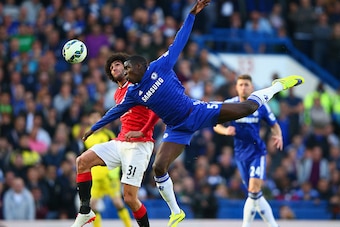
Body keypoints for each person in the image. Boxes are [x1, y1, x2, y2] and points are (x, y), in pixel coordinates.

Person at [83, 0, 304, 226]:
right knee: (159, 167)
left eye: (128, 69)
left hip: (196, 112)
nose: (126, 74)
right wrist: (93, 128)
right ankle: (176, 211)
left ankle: (276, 86)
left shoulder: (161, 65)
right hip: (176, 128)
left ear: (140, 67)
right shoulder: (134, 93)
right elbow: (115, 112)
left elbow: (180, 39)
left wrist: (192, 15)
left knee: (247, 108)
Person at [71, 53, 159, 227]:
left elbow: (157, 109)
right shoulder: (117, 94)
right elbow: (113, 114)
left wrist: (142, 131)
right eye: (111, 68)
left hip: (139, 146)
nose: (115, 68)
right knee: (82, 161)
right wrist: (94, 128)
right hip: (120, 143)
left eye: (118, 65)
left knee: (130, 198)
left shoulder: (139, 85)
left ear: (127, 68)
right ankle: (85, 211)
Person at [214, 74, 281, 227]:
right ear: (236, 87)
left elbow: (274, 124)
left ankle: (249, 225)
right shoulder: (230, 105)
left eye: (246, 84)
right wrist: (225, 131)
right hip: (240, 155)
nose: (244, 87)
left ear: (252, 87)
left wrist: (279, 136)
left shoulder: (259, 104)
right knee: (254, 194)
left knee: (253, 188)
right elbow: (216, 124)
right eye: (241, 85)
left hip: (257, 152)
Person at [75, 110, 132, 227]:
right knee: (93, 205)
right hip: (95, 176)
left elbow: (117, 153)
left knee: (118, 202)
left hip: (108, 175)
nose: (95, 120)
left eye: (98, 117)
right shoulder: (87, 138)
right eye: (93, 118)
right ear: (89, 120)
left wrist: (115, 172)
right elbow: (83, 158)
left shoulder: (108, 135)